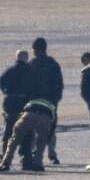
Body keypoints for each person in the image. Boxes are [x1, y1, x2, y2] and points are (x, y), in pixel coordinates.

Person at [0, 70, 58, 173]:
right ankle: (37, 164)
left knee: (14, 139)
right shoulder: (53, 96)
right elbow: (54, 118)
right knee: (41, 142)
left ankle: (5, 163)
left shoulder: (33, 89)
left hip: (29, 114)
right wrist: (49, 134)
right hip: (45, 116)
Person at [27, 37, 63, 166]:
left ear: (35, 49)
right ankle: (52, 154)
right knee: (50, 129)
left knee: (32, 128)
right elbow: (59, 84)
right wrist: (55, 100)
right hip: (50, 102)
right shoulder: (53, 64)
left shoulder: (32, 64)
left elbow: (28, 84)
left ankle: (31, 153)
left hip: (35, 102)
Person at [0, 49, 33, 156]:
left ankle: (5, 152)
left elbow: (1, 84)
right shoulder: (30, 71)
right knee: (27, 129)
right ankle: (25, 153)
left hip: (10, 102)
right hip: (24, 103)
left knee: (9, 128)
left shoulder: (9, 70)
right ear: (26, 58)